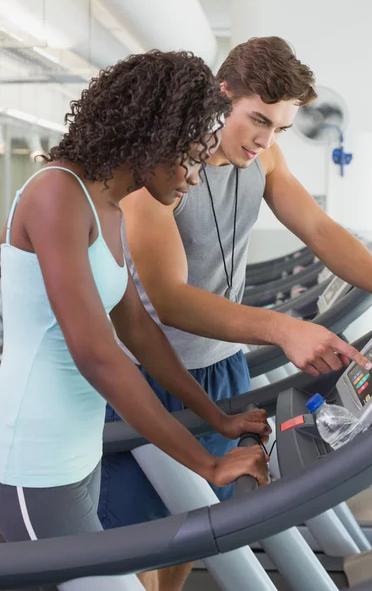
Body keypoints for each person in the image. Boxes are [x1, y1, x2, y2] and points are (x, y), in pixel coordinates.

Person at [101, 37, 372, 591]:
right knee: (141, 537)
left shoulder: (266, 158)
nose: (265, 139)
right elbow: (168, 297)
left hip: (224, 368)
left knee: (200, 527)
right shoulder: (163, 167)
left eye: (280, 127)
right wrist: (283, 328)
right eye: (258, 119)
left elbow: (318, 230)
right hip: (150, 372)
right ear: (222, 96)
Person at [0, 50, 271, 591]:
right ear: (153, 137)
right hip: (32, 459)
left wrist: (217, 419)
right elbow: (98, 353)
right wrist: (207, 464)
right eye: (190, 157)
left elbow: (139, 332)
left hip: (78, 449)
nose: (195, 176)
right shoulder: (57, 194)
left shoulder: (111, 209)